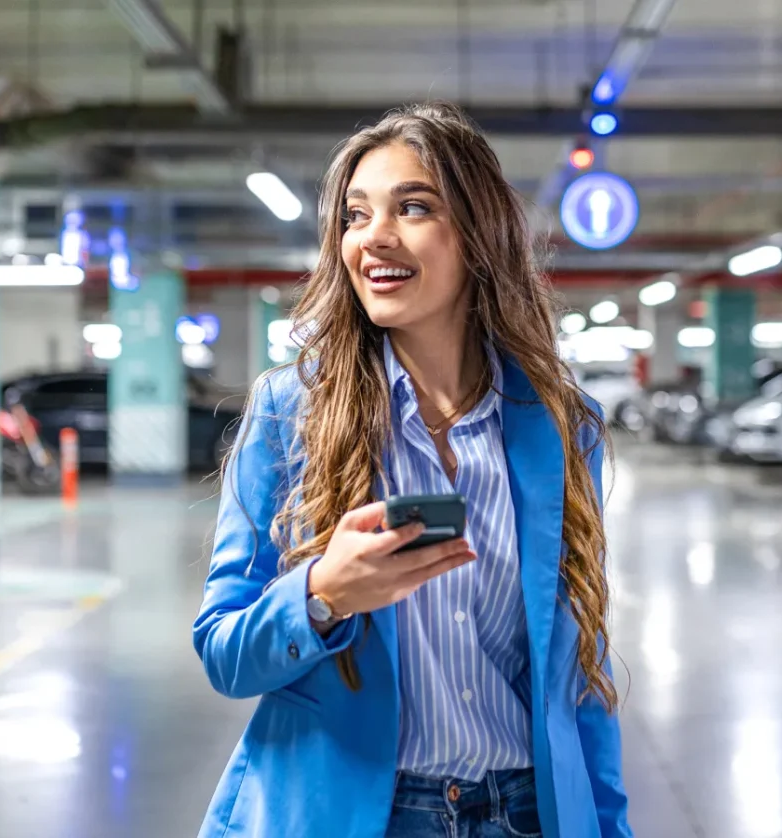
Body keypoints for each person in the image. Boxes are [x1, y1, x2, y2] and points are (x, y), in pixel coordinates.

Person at [193, 102, 632, 838]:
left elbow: (580, 675)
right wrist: (324, 594)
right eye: (355, 216)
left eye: (413, 207)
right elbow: (224, 652)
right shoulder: (289, 413)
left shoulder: (558, 424)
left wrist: (610, 825)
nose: (373, 238)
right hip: (359, 815)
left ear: (479, 235)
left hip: (525, 816)